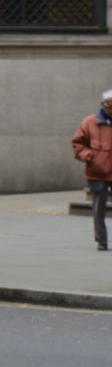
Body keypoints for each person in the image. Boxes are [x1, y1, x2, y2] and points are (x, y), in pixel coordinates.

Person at [71, 89, 112, 250]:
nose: (111, 108)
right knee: (98, 208)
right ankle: (101, 240)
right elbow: (77, 144)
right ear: (102, 104)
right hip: (97, 171)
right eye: (108, 104)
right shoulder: (89, 122)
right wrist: (88, 156)